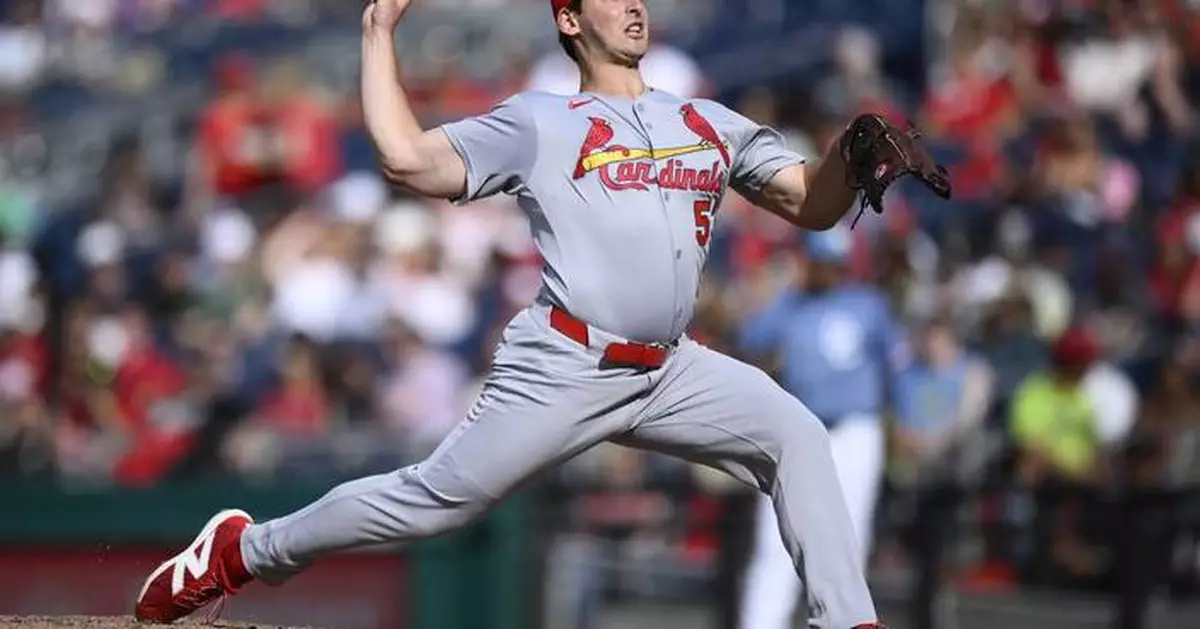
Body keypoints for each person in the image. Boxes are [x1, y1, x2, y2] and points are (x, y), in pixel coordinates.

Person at [131, 1, 932, 627]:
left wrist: (844, 159)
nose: (634, 6)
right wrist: (378, 34)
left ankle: (850, 623)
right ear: (568, 19)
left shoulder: (706, 122)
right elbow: (406, 159)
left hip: (673, 366)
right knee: (430, 499)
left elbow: (811, 205)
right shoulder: (539, 120)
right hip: (566, 362)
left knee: (796, 434)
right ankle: (245, 549)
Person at [736, 226, 906, 629]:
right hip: (798, 431)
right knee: (773, 542)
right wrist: (780, 290)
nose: (829, 271)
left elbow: (895, 369)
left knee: (850, 539)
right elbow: (751, 338)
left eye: (836, 264)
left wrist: (901, 423)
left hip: (856, 431)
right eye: (821, 263)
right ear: (808, 262)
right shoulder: (792, 304)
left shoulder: (869, 306)